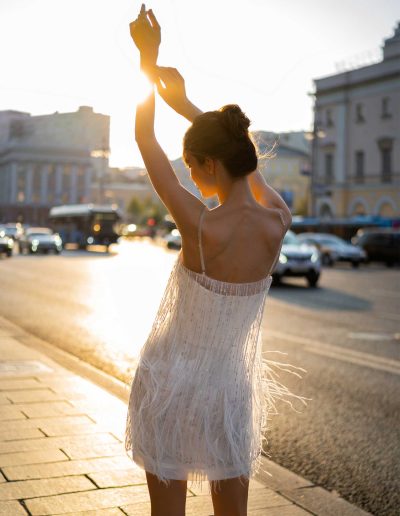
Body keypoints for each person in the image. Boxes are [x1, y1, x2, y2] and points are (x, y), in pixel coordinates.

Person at [126, 5, 304, 516]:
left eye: (192, 167)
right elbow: (242, 164)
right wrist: (187, 105)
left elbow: (144, 140)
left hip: (168, 381)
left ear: (207, 163)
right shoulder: (278, 220)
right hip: (229, 389)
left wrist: (146, 60)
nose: (192, 176)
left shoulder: (201, 226)